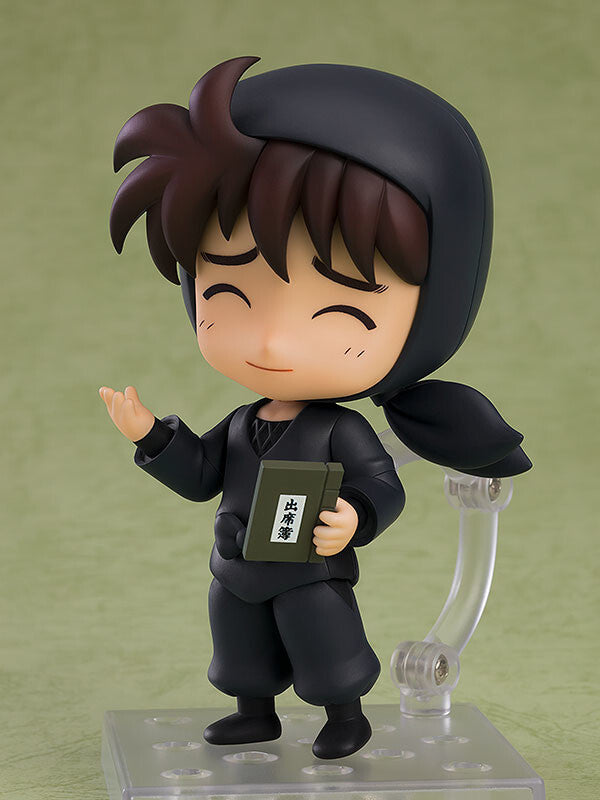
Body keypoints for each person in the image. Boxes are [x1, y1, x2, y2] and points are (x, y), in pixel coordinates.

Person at [99, 56, 531, 759]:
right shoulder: (243, 423)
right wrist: (151, 436)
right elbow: (203, 473)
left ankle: (344, 716)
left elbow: (382, 485)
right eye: (229, 294)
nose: (272, 340)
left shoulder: (339, 428)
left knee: (324, 640)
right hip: (236, 565)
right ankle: (254, 710)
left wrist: (353, 516)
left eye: (338, 311)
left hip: (308, 571)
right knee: (238, 641)